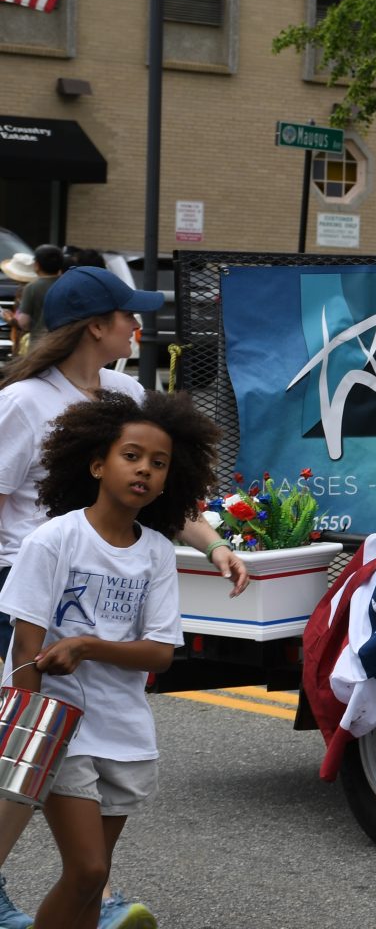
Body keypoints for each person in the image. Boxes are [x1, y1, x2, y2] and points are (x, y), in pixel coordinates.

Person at [0, 267, 247, 929]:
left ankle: (84, 897)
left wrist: (212, 544)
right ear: (93, 326)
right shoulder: (26, 403)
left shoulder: (125, 392)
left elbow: (164, 497)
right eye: (125, 316)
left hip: (116, 577)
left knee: (58, 803)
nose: (137, 327)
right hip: (28, 584)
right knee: (23, 762)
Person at [4, 245, 64, 356]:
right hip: (64, 344)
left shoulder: (32, 287)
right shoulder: (68, 284)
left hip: (38, 346)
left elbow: (24, 323)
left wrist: (11, 320)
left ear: (37, 265)